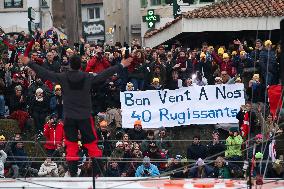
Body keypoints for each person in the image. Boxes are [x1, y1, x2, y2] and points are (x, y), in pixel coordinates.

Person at [21, 55, 132, 177]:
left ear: (69, 65)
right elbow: (103, 75)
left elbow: (45, 73)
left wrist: (30, 63)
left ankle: (72, 174)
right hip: (84, 116)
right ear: (81, 65)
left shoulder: (63, 77)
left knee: (71, 146)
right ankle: (97, 174)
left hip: (69, 117)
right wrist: (120, 65)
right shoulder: (87, 77)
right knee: (92, 145)